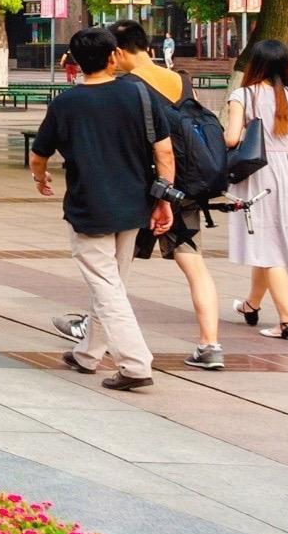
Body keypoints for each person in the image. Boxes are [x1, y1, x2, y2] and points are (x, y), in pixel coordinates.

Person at [56, 21, 225, 371]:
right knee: (192, 264)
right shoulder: (180, 78)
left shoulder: (129, 88)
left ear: (115, 52)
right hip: (187, 184)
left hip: (146, 189)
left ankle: (126, 357)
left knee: (108, 273)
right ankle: (210, 343)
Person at [29, 24, 179, 390]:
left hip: (89, 206)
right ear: (113, 56)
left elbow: (39, 153)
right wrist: (164, 197)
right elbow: (164, 151)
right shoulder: (140, 94)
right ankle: (88, 354)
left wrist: (40, 176)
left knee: (107, 286)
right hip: (134, 203)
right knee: (111, 283)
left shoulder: (65, 103)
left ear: (76, 62)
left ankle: (135, 364)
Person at [224, 38, 288, 339]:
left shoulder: (243, 95)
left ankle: (287, 321)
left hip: (256, 174)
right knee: (270, 240)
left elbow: (230, 139)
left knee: (271, 250)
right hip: (286, 171)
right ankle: (251, 305)